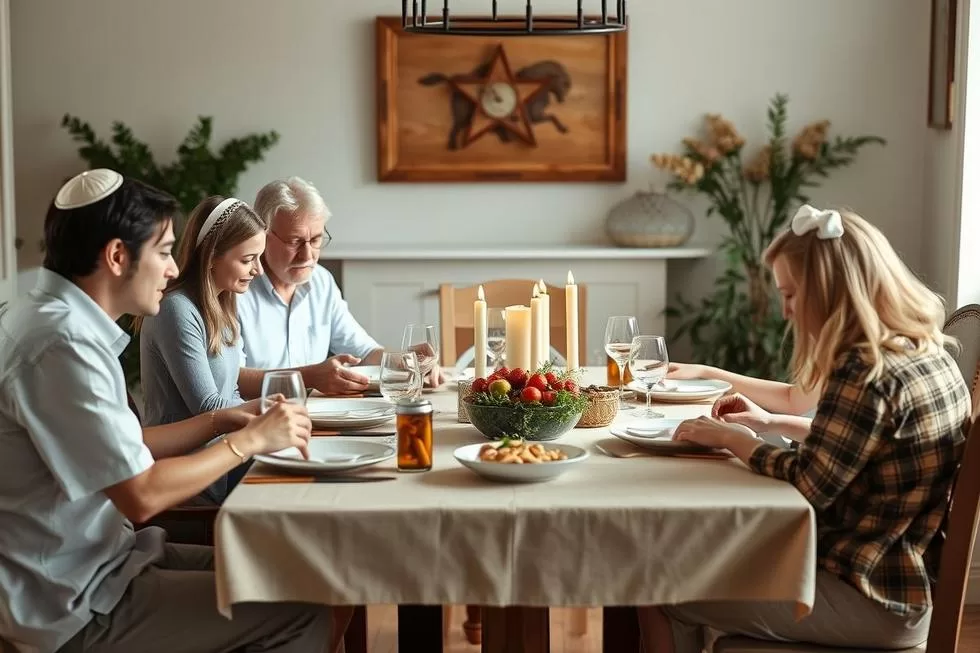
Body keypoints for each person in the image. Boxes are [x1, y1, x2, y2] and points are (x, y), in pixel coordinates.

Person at [0, 169, 334, 653]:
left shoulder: (54, 322)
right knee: (301, 608)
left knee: (288, 572)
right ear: (118, 256)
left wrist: (223, 420)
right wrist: (248, 441)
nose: (174, 268)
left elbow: (125, 447)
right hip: (72, 600)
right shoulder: (62, 346)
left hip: (109, 560)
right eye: (162, 251)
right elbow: (141, 496)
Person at [638, 205, 970, 652]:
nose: (786, 311)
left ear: (832, 293)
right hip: (902, 587)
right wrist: (772, 423)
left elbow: (809, 484)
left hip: (868, 598)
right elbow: (867, 450)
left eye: (792, 295)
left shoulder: (866, 372)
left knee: (656, 587)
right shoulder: (926, 354)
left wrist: (738, 441)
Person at [236, 176, 439, 397]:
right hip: (257, 419)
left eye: (315, 240)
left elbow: (363, 352)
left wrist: (406, 362)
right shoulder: (236, 290)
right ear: (262, 235)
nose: (308, 255)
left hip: (317, 417)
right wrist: (310, 377)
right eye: (294, 241)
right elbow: (232, 379)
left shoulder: (321, 282)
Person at [138, 196, 265, 503]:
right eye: (248, 259)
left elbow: (231, 391)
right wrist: (270, 410)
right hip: (189, 470)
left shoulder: (223, 305)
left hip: (221, 458)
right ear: (211, 257)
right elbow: (207, 407)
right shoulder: (176, 310)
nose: (258, 270)